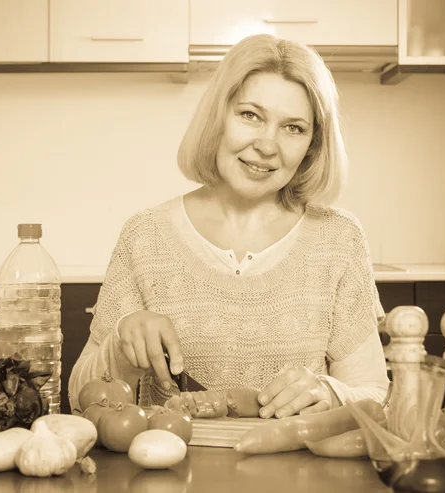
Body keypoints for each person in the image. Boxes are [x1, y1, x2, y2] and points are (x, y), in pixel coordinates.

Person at [68, 34, 389, 419]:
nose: (267, 146)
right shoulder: (145, 235)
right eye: (250, 115)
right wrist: (120, 347)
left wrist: (330, 393)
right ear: (218, 117)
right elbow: (77, 396)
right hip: (168, 470)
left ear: (313, 147)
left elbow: (372, 393)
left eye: (293, 128)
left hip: (298, 475)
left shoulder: (339, 240)